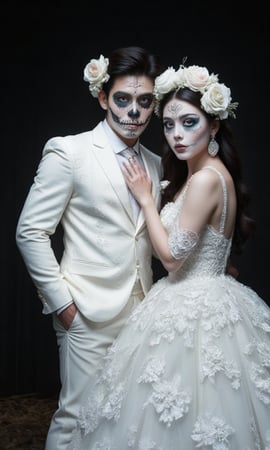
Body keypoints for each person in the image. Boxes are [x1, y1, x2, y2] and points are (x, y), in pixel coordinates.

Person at [68, 63, 270, 449]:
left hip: (192, 302)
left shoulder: (207, 178)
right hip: (209, 295)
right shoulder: (207, 174)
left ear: (213, 127)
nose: (177, 134)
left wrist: (145, 200)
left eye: (189, 123)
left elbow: (173, 259)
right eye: (170, 125)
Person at [15, 46, 163, 450]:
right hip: (86, 312)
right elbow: (30, 231)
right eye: (123, 99)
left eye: (144, 101)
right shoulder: (70, 152)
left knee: (129, 416)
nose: (134, 111)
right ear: (102, 98)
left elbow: (147, 235)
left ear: (154, 106)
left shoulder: (155, 162)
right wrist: (64, 305)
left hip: (142, 312)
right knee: (77, 417)